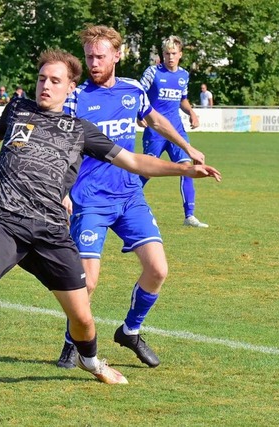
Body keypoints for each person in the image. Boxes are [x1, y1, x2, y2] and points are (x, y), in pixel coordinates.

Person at [0, 48, 221, 407]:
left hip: (51, 231)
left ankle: (90, 360)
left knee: (82, 317)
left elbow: (133, 160)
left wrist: (185, 168)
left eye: (55, 81)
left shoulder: (81, 131)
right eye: (41, 79)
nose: (45, 86)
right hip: (5, 219)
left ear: (70, 88)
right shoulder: (17, 110)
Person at [56, 25, 206, 370]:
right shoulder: (76, 97)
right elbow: (61, 147)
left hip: (129, 197)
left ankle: (130, 330)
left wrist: (186, 147)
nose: (93, 63)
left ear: (117, 55)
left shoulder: (133, 91)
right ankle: (71, 341)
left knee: (157, 269)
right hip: (89, 200)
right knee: (87, 281)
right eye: (89, 56)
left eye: (100, 56)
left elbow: (154, 119)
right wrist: (62, 191)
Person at [140, 36, 209, 228]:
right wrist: (140, 115)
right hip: (155, 130)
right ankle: (123, 203)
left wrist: (192, 113)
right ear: (163, 55)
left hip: (177, 130)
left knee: (187, 167)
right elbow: (138, 94)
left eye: (173, 54)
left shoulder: (184, 75)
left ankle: (190, 216)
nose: (170, 57)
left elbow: (183, 99)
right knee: (147, 171)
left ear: (180, 55)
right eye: (166, 54)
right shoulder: (152, 72)